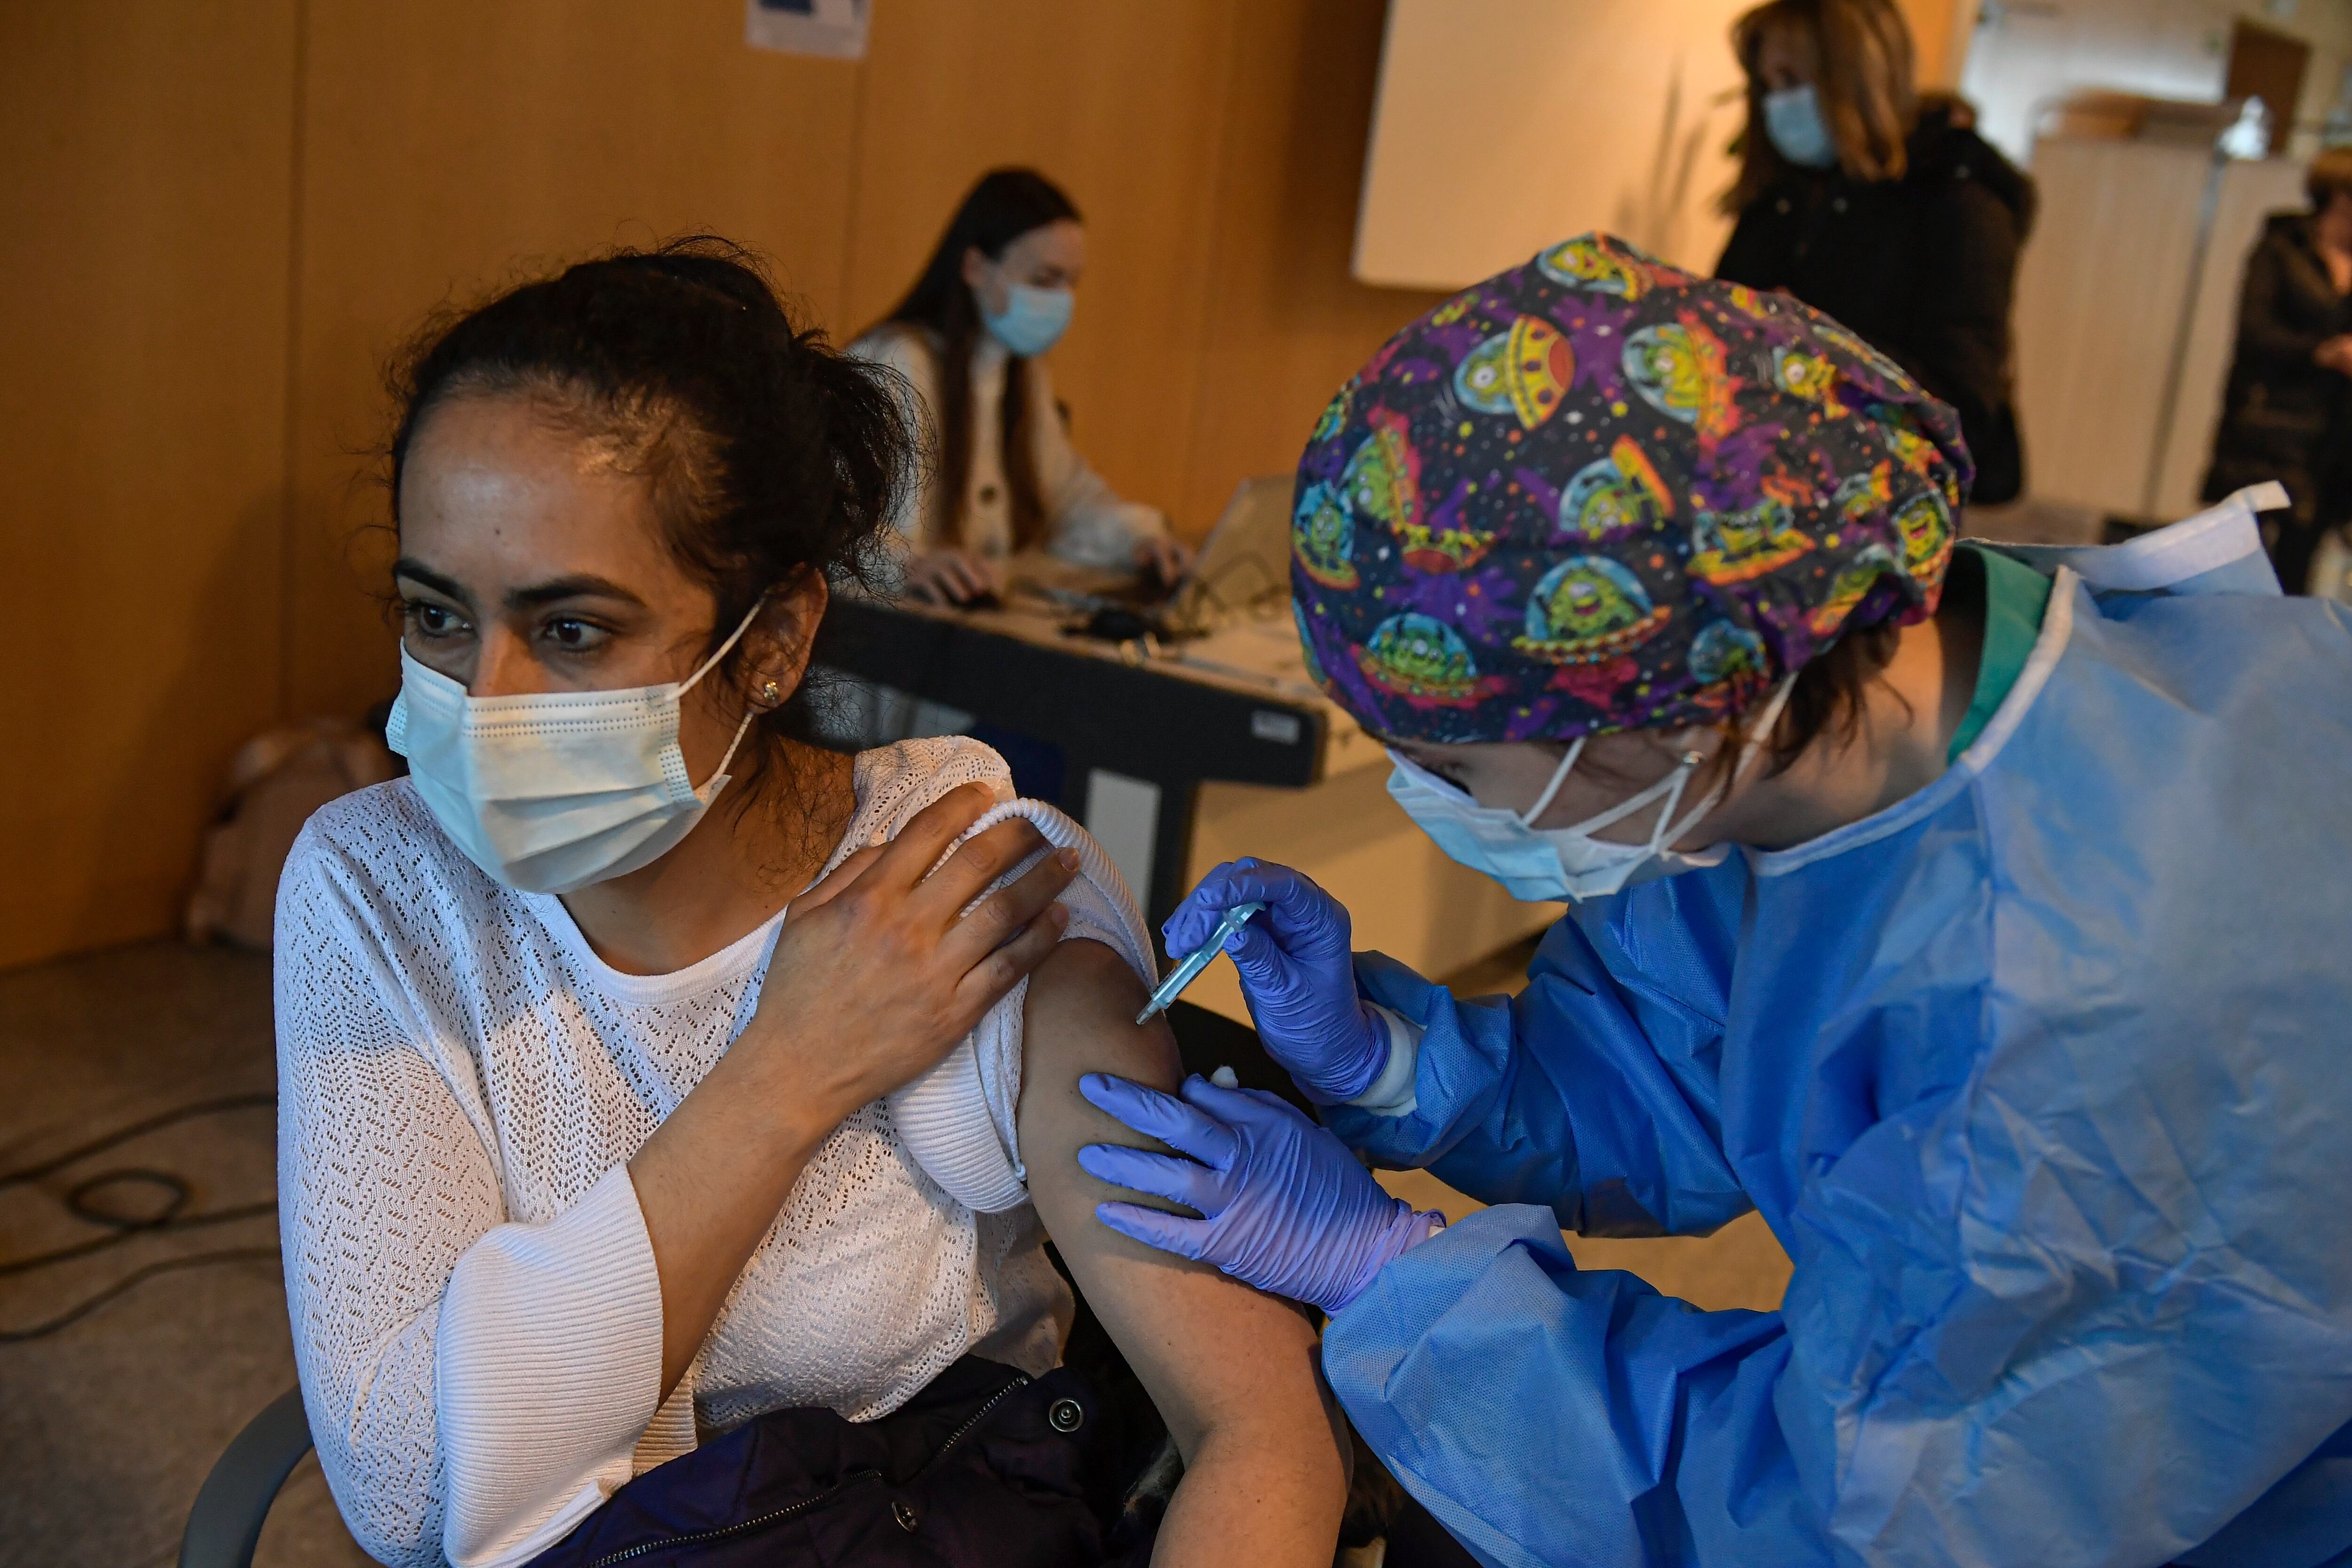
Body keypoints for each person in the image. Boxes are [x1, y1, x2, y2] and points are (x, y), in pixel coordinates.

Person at [1077, 234, 2352, 1566]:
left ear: (1658, 714)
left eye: (1453, 767)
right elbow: (1690, 1051)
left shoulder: (2048, 1036)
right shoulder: (1858, 697)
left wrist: (1388, 1276)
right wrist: (1387, 1060)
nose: (1433, 798)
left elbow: (1849, 1521)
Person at [273, 239, 1345, 1568]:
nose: (483, 701)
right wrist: (795, 1066)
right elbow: (405, 1492)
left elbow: (1259, 1428)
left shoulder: (961, 882)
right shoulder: (378, 880)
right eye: (438, 618)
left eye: (570, 630)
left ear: (773, 639)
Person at [1715, 0, 2034, 505]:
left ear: (1853, 76)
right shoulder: (1782, 197)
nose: (1778, 104)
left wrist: (1812, 337)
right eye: (1768, 85)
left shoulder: (1956, 198)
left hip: (1873, 505)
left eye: (1792, 81)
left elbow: (1964, 409)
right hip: (1752, 479)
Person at [850, 168, 1188, 605]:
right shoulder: (894, 361)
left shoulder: (1020, 368)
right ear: (975, 267)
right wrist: (908, 565)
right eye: (1044, 280)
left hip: (970, 616)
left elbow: (1064, 498)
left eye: (1071, 282)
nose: (1062, 301)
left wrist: (1138, 539)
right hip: (889, 628)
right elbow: (832, 524)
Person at [2202, 147, 2352, 595]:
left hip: (2334, 439)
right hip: (2269, 424)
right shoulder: (2282, 249)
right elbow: (2254, 334)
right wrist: (2323, 353)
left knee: (2297, 571)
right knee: (2239, 563)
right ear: (2338, 195)